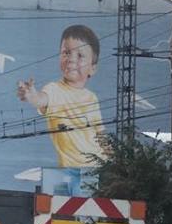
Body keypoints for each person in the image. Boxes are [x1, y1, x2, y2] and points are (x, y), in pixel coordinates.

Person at [16, 25, 105, 168]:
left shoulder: (92, 98)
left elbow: (101, 135)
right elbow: (41, 100)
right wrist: (31, 96)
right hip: (72, 169)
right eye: (66, 53)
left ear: (92, 69)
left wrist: (114, 161)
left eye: (80, 55)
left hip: (100, 166)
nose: (71, 59)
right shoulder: (55, 90)